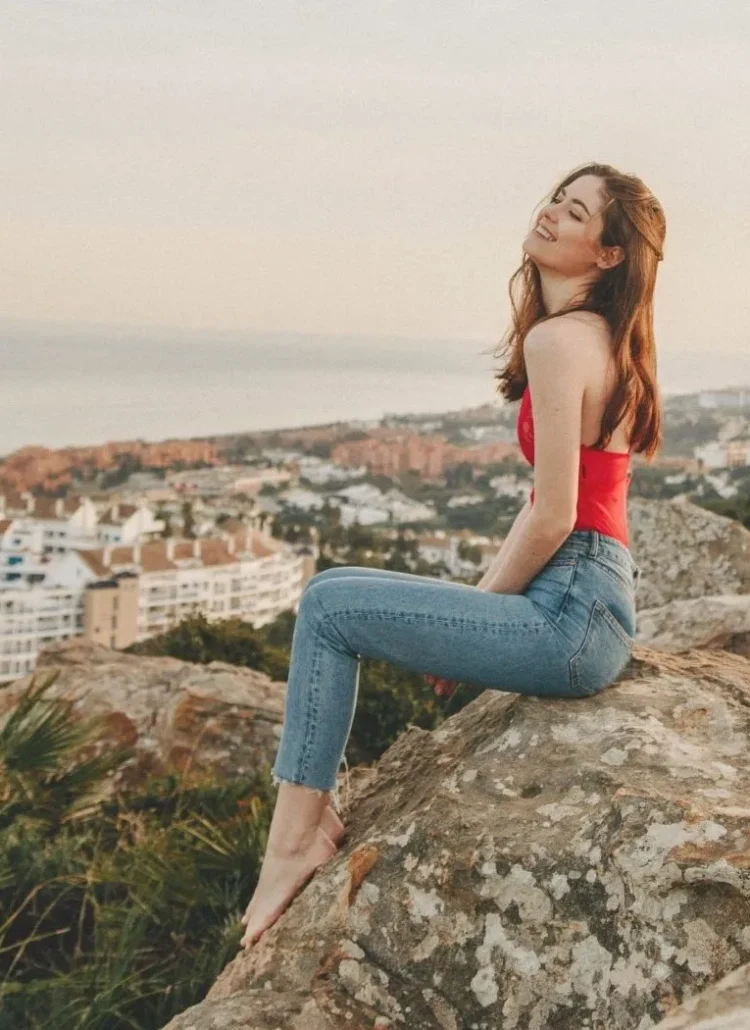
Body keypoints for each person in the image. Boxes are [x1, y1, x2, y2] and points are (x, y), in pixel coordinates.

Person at [239, 161, 666, 950]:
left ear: (608, 254)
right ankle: (305, 822)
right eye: (555, 200)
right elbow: (542, 508)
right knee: (333, 592)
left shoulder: (559, 340)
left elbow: (555, 516)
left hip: (569, 612)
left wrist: (487, 618)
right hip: (590, 602)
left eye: (575, 215)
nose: (550, 215)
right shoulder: (601, 338)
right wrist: (480, 609)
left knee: (329, 608)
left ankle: (297, 836)